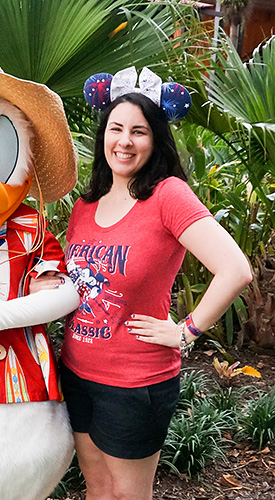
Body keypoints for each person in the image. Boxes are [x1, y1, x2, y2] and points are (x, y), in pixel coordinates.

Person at [30, 68, 253, 500]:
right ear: (103, 135)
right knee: (97, 489)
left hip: (135, 383)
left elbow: (235, 269)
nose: (125, 141)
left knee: (129, 494)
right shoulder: (85, 204)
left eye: (139, 131)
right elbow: (80, 282)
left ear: (156, 140)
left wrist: (185, 331)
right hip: (77, 372)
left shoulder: (168, 195)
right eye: (116, 129)